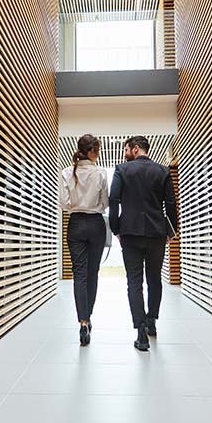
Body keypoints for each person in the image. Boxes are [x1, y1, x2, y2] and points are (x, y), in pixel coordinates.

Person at [108, 135, 177, 351]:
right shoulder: (162, 171)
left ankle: (141, 333)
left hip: (130, 234)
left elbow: (113, 201)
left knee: (134, 282)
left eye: (127, 149)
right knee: (154, 279)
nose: (125, 153)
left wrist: (116, 228)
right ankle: (152, 322)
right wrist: (171, 231)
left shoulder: (122, 170)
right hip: (157, 233)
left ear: (136, 149)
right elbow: (171, 203)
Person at [59, 134, 109, 346]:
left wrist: (77, 207)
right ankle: (88, 317)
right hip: (96, 224)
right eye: (97, 150)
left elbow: (64, 203)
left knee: (79, 274)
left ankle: (82, 322)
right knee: (93, 273)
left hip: (76, 223)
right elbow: (105, 202)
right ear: (92, 152)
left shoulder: (66, 172)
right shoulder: (100, 173)